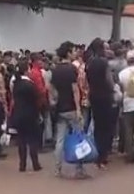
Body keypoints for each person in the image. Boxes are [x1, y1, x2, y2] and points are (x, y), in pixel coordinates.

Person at [50, 41, 86, 179]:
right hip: (71, 108)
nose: (75, 53)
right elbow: (75, 90)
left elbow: (51, 88)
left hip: (60, 108)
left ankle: (57, 169)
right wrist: (78, 109)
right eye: (73, 51)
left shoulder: (55, 70)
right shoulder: (72, 69)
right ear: (68, 53)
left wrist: (54, 100)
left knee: (60, 140)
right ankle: (79, 169)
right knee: (78, 138)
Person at [85, 39, 115, 168]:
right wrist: (113, 90)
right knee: (107, 126)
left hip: (94, 95)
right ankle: (103, 154)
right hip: (105, 95)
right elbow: (109, 80)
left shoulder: (89, 63)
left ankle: (97, 152)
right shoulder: (103, 62)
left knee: (97, 125)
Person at [9, 61, 43, 172]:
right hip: (30, 114)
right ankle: (35, 164)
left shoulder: (15, 84)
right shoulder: (30, 85)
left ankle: (22, 164)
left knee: (21, 140)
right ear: (26, 70)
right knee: (32, 139)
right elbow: (35, 100)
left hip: (18, 113)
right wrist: (38, 113)